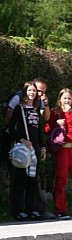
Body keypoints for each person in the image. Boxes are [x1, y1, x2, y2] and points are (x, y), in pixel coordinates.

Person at [2, 77, 54, 219]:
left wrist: (42, 147)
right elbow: (11, 127)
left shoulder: (36, 109)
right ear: (25, 92)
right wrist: (22, 139)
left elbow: (38, 131)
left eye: (34, 91)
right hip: (23, 149)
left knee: (32, 180)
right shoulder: (19, 108)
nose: (32, 93)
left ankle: (31, 209)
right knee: (20, 180)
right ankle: (18, 211)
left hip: (35, 149)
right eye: (29, 90)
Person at [44, 88, 72, 220]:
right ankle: (61, 210)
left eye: (69, 98)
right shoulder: (56, 113)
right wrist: (57, 125)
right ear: (60, 99)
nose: (67, 100)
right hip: (63, 150)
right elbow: (47, 129)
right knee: (61, 179)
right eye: (65, 98)